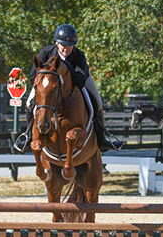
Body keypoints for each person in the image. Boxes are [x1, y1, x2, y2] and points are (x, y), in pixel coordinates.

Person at [13, 24, 123, 153]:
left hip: (80, 80)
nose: (66, 48)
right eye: (63, 44)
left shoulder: (78, 56)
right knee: (28, 103)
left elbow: (81, 81)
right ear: (56, 43)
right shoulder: (46, 52)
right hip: (48, 84)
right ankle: (28, 136)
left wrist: (66, 67)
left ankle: (102, 139)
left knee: (97, 103)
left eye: (70, 45)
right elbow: (32, 76)